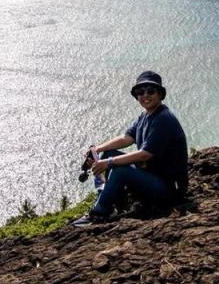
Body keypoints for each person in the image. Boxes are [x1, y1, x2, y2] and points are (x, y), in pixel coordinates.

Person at [72, 70, 188, 226]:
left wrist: (108, 163)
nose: (145, 95)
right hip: (151, 176)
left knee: (119, 169)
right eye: (140, 92)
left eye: (150, 91)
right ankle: (111, 200)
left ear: (160, 94)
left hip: (168, 189)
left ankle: (99, 214)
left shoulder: (163, 119)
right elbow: (126, 138)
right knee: (108, 154)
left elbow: (144, 155)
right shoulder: (145, 116)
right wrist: (98, 149)